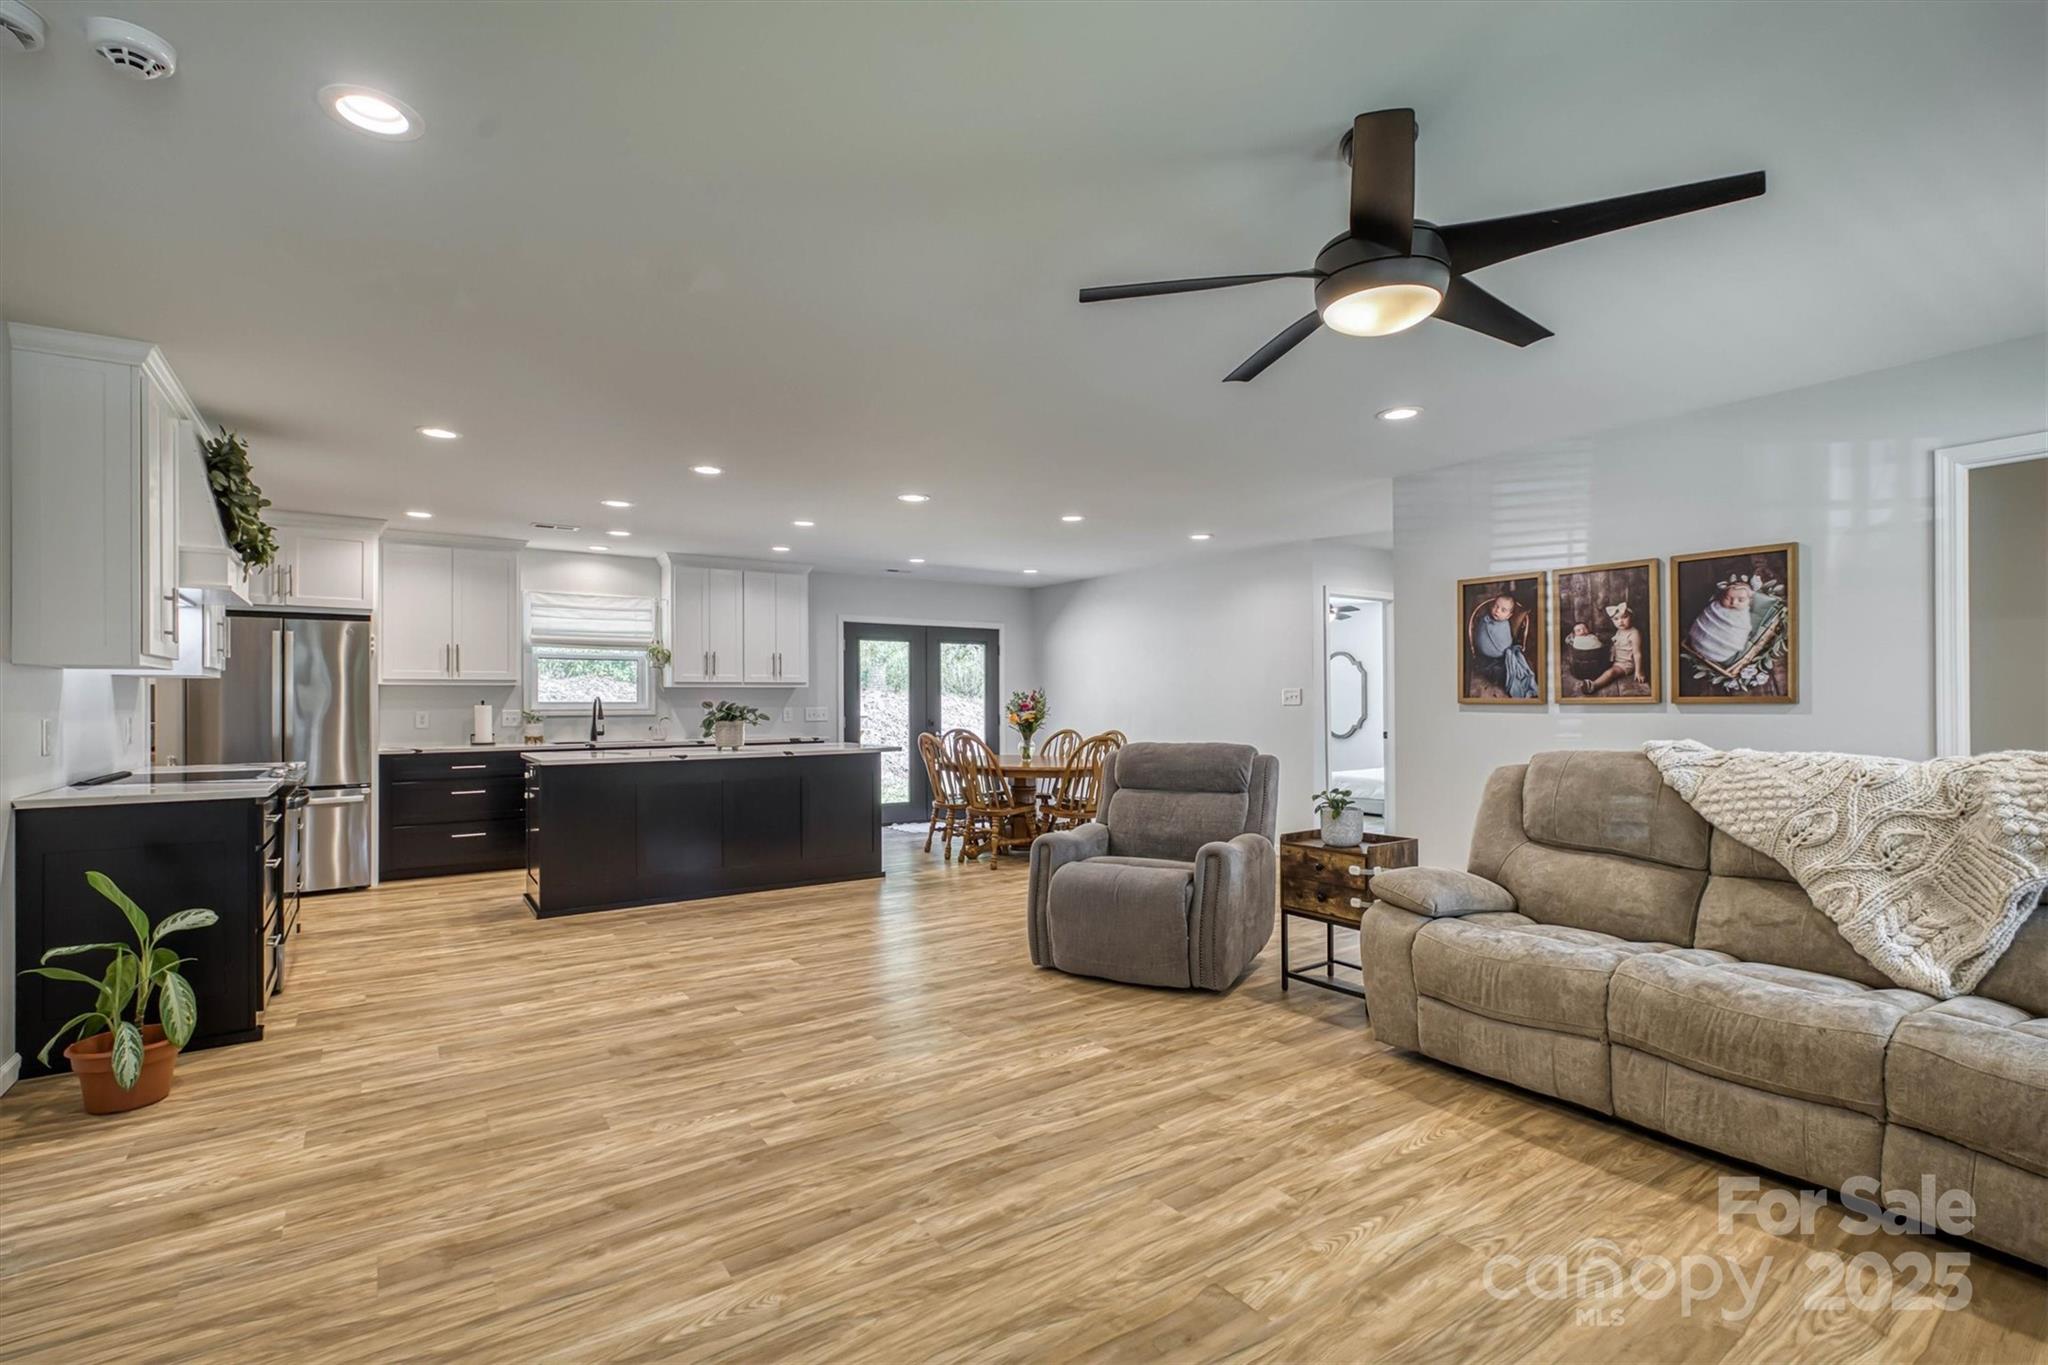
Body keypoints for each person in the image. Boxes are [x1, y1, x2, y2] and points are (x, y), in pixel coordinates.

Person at [1471, 592, 1538, 699]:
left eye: (1503, 610)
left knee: (1504, 671)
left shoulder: (1504, 625)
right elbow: (1479, 633)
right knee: (1482, 667)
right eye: (1496, 606)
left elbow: (1505, 644)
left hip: (1500, 658)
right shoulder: (1485, 619)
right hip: (1483, 657)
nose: (1497, 610)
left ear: (1509, 615)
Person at [1584, 601, 1645, 693]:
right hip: (1617, 659)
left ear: (1631, 617)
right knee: (1599, 662)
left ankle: (1594, 685)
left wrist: (1639, 671)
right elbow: (1616, 643)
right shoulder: (1619, 631)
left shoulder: (1634, 633)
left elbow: (1637, 654)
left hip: (1626, 664)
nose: (1620, 621)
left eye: (1624, 617)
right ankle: (1589, 676)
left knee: (1611, 673)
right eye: (1616, 619)